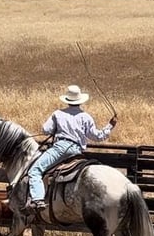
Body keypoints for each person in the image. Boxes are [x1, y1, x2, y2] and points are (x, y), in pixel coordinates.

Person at [25, 84, 117, 212]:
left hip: (60, 148)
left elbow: (45, 130)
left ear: (67, 100)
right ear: (80, 100)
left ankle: (38, 199)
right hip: (77, 151)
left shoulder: (58, 114)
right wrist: (110, 126)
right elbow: (97, 136)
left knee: (35, 170)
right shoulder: (86, 117)